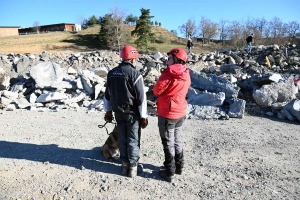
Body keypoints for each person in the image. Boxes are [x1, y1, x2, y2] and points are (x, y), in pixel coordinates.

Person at [103, 45, 148, 178]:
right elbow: (141, 98)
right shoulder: (135, 74)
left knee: (122, 139)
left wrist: (108, 111)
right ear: (133, 59)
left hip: (118, 113)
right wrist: (144, 116)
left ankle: (124, 166)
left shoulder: (112, 73)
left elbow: (107, 95)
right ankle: (133, 168)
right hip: (132, 114)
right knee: (133, 140)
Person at [153, 48, 191, 182]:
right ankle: (179, 166)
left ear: (176, 59)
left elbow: (157, 90)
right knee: (177, 139)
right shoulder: (186, 73)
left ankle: (169, 171)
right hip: (180, 112)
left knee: (168, 142)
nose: (167, 60)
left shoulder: (168, 73)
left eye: (169, 58)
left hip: (167, 112)